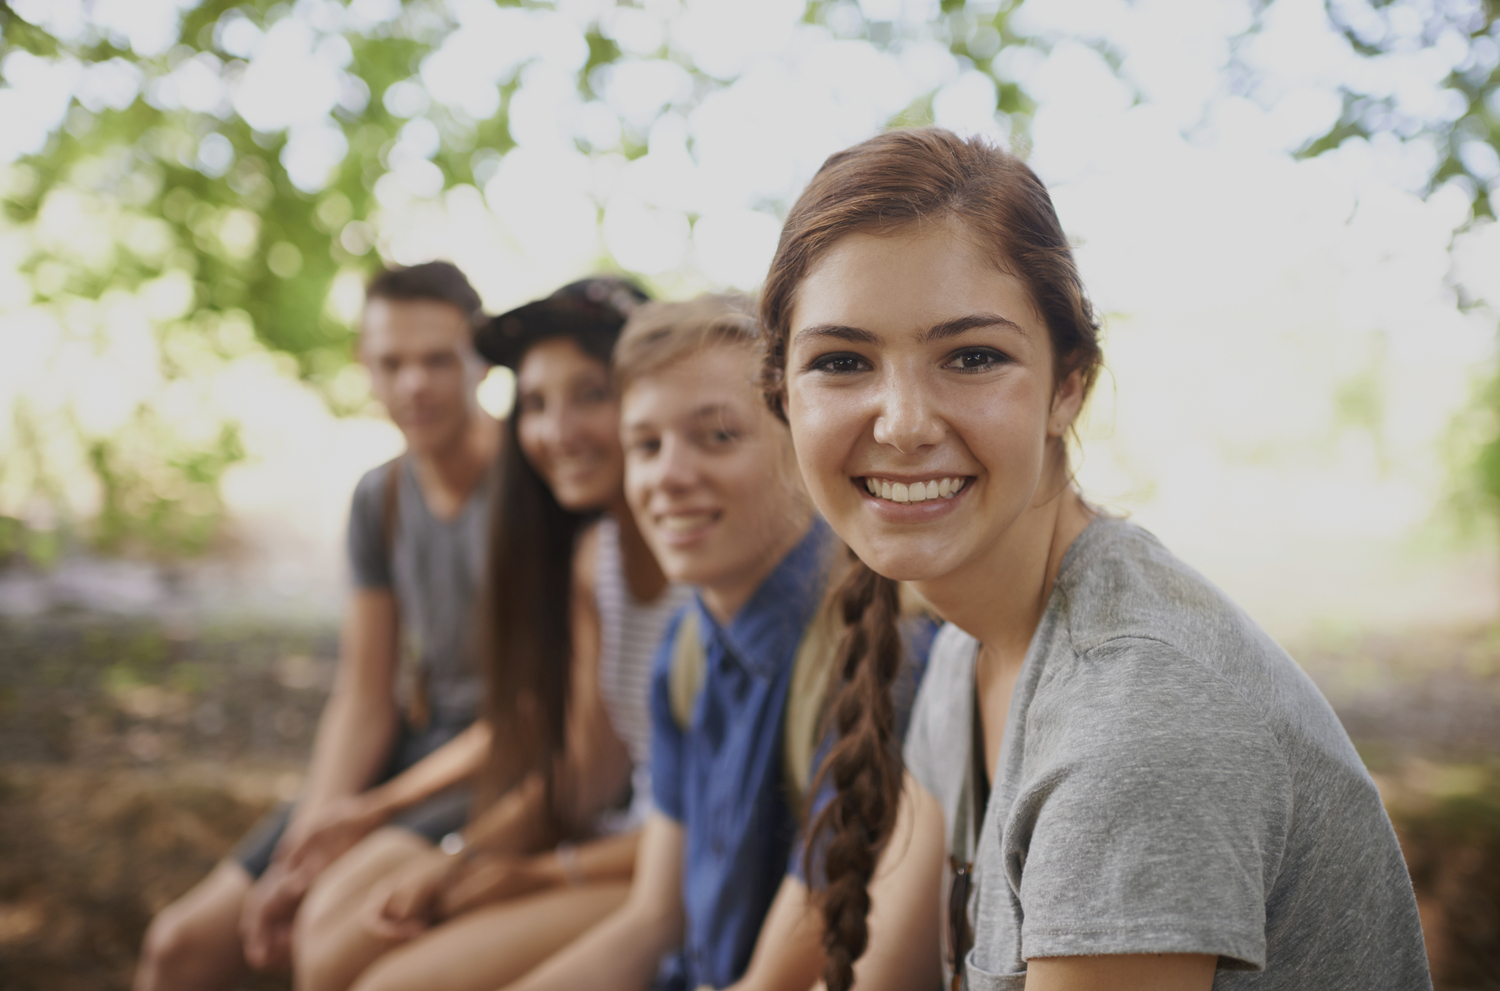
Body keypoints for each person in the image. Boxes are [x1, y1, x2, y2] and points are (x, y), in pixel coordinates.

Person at [760, 127, 1433, 991]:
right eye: (842, 361)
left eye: (972, 357)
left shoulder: (1140, 714)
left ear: (1067, 383)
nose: (903, 421)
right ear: (784, 393)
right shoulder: (968, 652)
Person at [489, 294, 932, 991]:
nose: (667, 475)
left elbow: (780, 975)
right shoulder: (689, 641)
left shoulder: (870, 649)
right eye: (646, 445)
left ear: (801, 442)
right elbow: (653, 919)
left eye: (717, 435)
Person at [291, 276, 693, 991]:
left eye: (591, 394)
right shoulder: (591, 558)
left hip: (667, 872)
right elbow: (584, 770)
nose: (557, 431)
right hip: (614, 842)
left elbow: (707, 825)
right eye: (535, 403)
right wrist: (459, 858)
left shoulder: (703, 555)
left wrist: (529, 872)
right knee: (328, 948)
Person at [135, 261, 501, 991]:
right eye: (391, 363)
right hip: (411, 748)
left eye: (437, 359)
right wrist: (316, 830)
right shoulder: (382, 495)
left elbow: (553, 709)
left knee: (321, 941)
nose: (414, 385)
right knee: (179, 946)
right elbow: (365, 695)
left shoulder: (535, 482)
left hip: (496, 772)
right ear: (365, 368)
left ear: (480, 359)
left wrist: (364, 821)